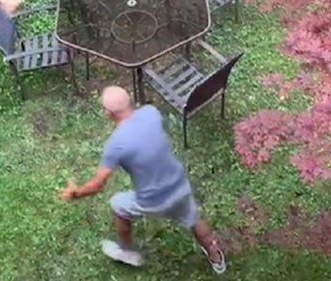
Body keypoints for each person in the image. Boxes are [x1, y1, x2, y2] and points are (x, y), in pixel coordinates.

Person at [61, 86, 226, 274]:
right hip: (179, 186)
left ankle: (127, 251)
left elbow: (98, 185)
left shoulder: (116, 145)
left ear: (108, 113)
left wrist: (76, 193)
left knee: (118, 206)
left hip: (152, 201)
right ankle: (216, 256)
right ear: (130, 100)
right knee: (194, 220)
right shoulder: (151, 113)